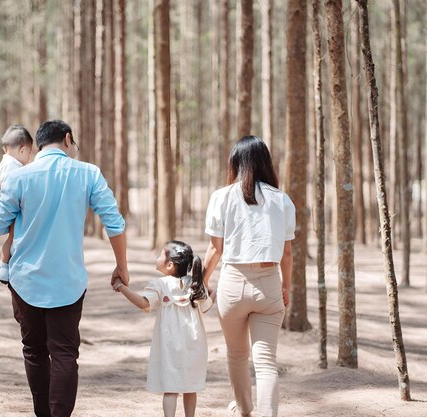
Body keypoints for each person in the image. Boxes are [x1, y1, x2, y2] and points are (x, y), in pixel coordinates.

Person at [0, 119, 129, 417]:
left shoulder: (20, 177)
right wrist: (122, 267)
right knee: (65, 353)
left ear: (39, 145)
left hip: (25, 280)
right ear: (67, 139)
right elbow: (114, 223)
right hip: (69, 280)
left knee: (34, 350)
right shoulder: (88, 173)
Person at [202, 136, 295, 417]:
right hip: (269, 283)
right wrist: (286, 287)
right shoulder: (281, 200)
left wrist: (203, 281)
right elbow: (288, 254)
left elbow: (215, 249)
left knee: (237, 356)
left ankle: (243, 410)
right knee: (266, 363)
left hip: (233, 282)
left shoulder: (221, 196)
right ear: (265, 163)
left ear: (235, 163)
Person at [112, 240, 213, 417]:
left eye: (160, 254)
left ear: (169, 265)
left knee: (171, 388)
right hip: (194, 343)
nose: (157, 256)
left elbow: (143, 303)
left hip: (169, 344)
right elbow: (207, 306)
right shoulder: (196, 284)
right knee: (191, 387)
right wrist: (215, 291)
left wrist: (121, 287)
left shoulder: (160, 284)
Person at [0, 125, 33, 284]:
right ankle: (4, 266)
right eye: (30, 153)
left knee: (13, 238)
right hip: (14, 208)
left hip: (14, 206)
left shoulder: (7, 162)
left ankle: (6, 266)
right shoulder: (12, 165)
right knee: (12, 238)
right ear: (22, 150)